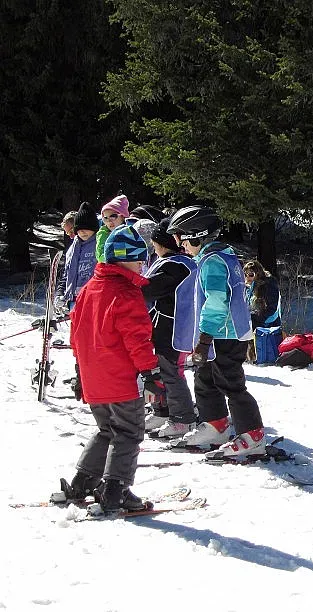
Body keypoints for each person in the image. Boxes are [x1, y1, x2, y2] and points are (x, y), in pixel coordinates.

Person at [53, 224, 166, 511]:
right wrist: (151, 373)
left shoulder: (91, 288)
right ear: (124, 258)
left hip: (94, 376)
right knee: (128, 433)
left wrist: (80, 371)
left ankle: (82, 482)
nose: (142, 265)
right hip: (121, 378)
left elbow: (76, 333)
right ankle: (116, 490)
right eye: (139, 259)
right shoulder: (127, 293)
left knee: (107, 430)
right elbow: (138, 339)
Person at [165, 205, 265, 457]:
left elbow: (217, 300)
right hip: (218, 333)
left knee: (230, 382)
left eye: (182, 239)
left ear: (196, 235)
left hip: (225, 335)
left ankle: (253, 434)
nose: (180, 245)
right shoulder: (217, 257)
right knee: (205, 378)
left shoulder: (213, 263)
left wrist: (205, 337)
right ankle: (215, 424)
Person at [141, 217, 198, 437]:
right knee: (159, 371)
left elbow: (150, 289)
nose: (152, 246)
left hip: (173, 329)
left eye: (155, 241)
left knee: (171, 373)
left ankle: (182, 417)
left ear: (163, 243)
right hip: (165, 326)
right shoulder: (175, 262)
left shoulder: (175, 266)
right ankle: (162, 411)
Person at [57, 202, 99, 310]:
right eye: (67, 233)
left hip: (93, 298)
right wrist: (60, 292)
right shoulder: (73, 249)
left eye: (71, 231)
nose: (71, 236)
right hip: (74, 300)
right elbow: (67, 273)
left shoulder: (99, 244)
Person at [243, 259, 281, 329]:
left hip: (267, 326)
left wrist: (255, 319)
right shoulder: (248, 287)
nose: (247, 277)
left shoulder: (269, 285)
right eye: (245, 274)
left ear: (258, 274)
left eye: (251, 274)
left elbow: (272, 308)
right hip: (255, 323)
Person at [95, 194, 129, 263]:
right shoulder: (103, 234)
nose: (109, 221)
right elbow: (100, 256)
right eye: (105, 218)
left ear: (123, 216)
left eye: (113, 216)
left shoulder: (129, 233)